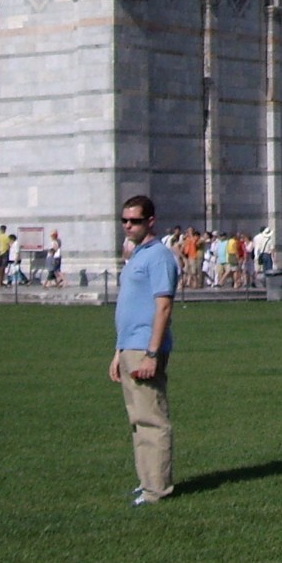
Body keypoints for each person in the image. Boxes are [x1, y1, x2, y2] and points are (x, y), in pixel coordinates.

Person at [109, 194, 178, 505]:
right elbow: (130, 308)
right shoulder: (136, 255)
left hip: (145, 349)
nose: (128, 226)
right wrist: (117, 352)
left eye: (134, 220)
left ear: (150, 221)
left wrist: (152, 353)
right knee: (137, 419)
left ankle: (157, 488)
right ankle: (146, 481)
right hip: (129, 347)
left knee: (152, 419)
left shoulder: (159, 256)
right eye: (124, 220)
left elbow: (162, 307)